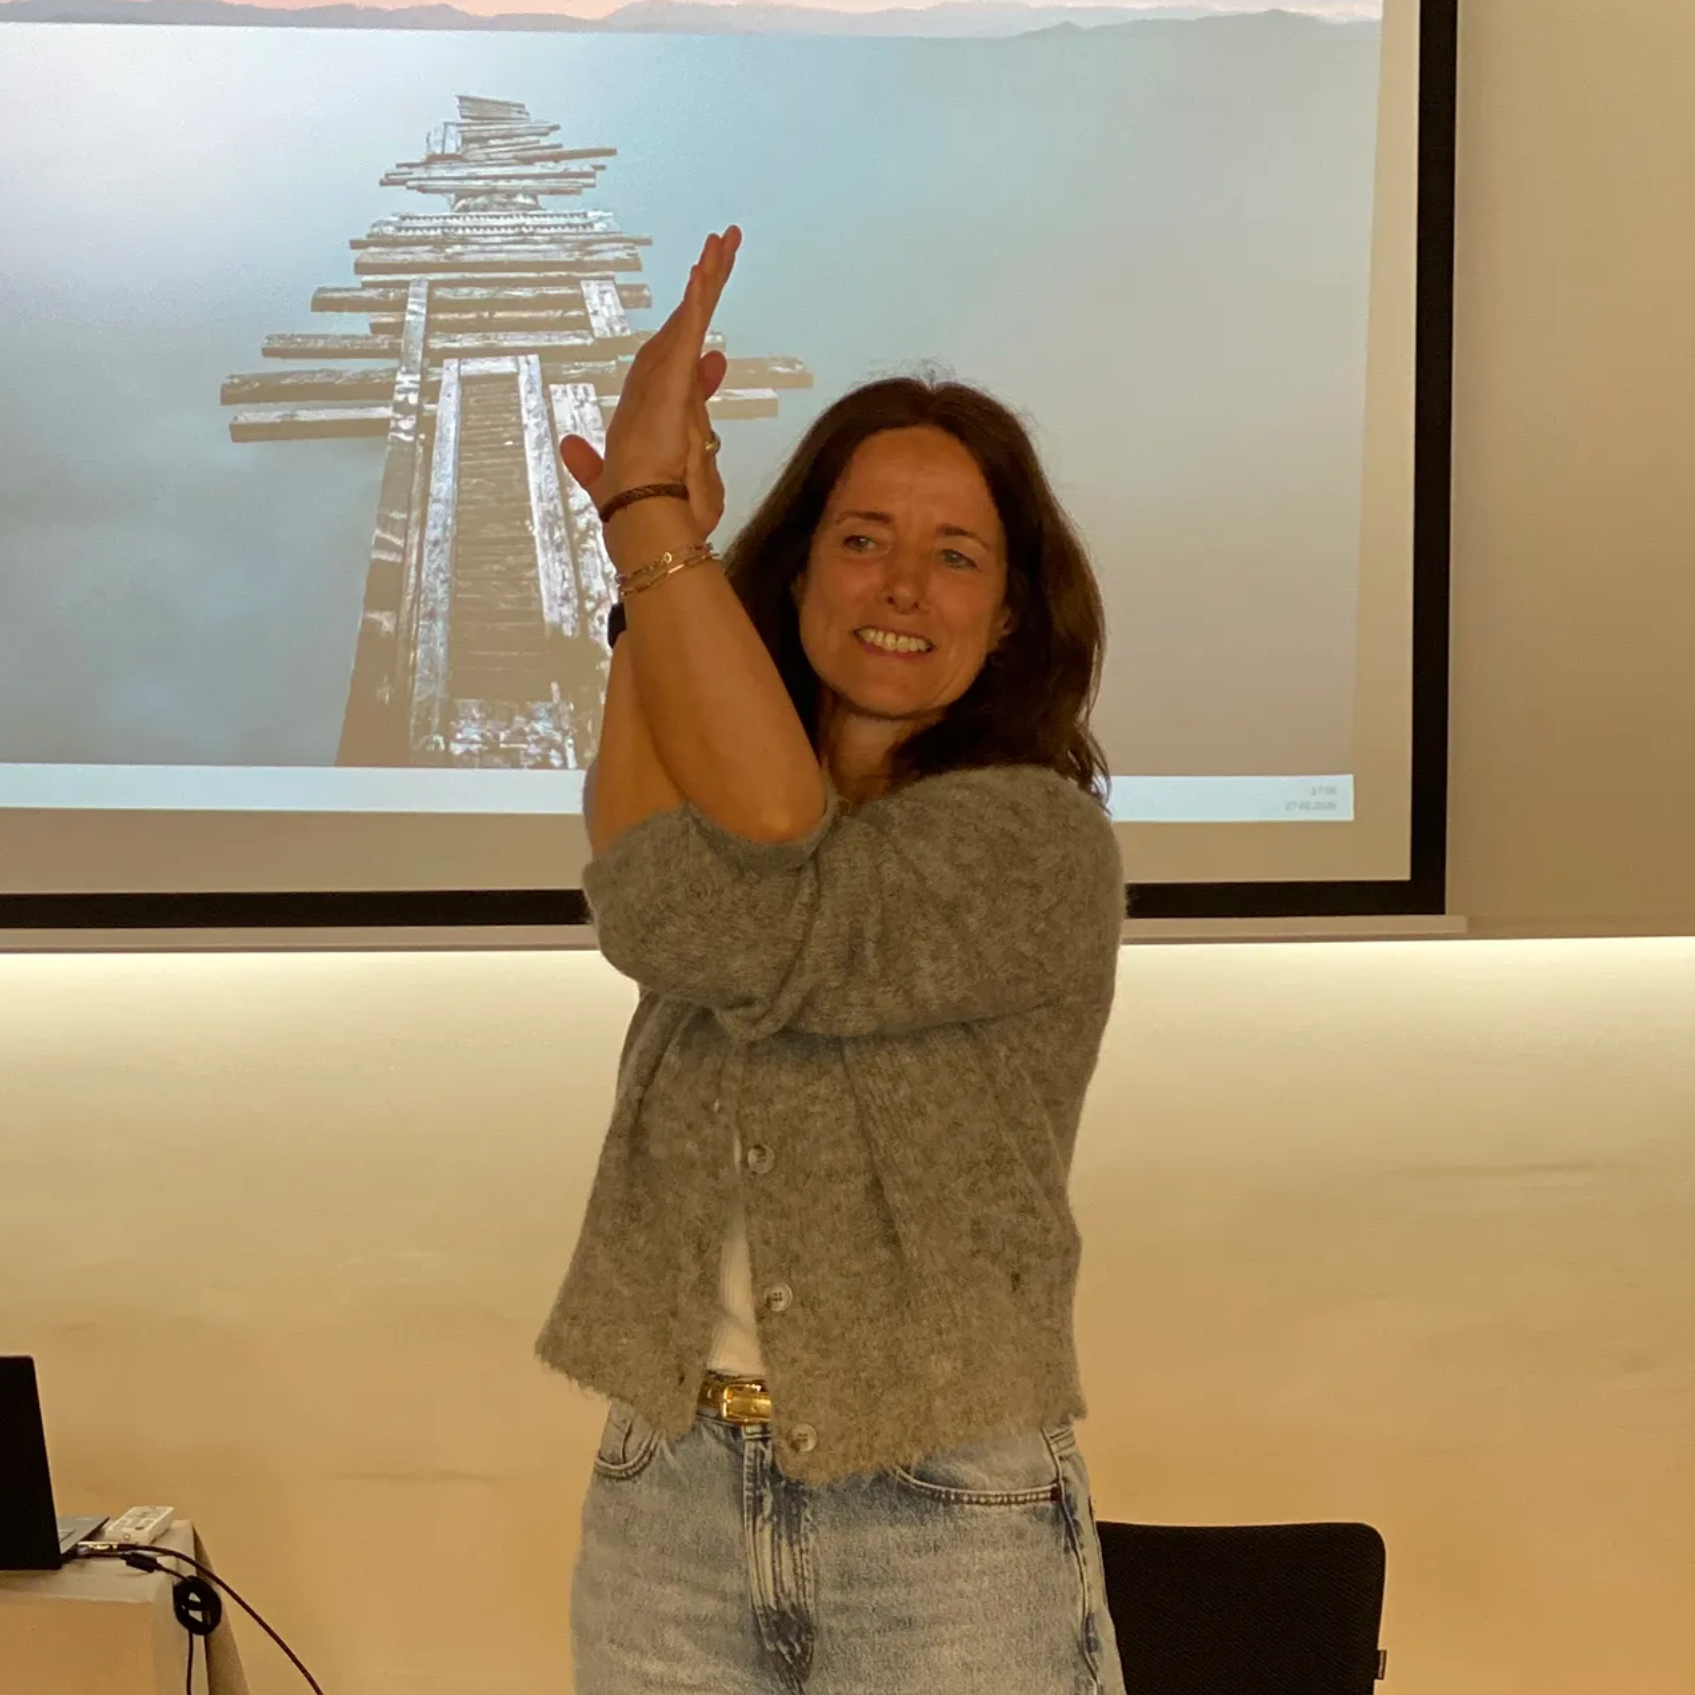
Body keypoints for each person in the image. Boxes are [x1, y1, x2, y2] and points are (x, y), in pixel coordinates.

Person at [537, 226, 1128, 1694]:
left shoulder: (1032, 839)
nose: (902, 585)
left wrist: (660, 519)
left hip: (941, 1503)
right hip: (667, 1478)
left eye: (956, 555)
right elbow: (651, 895)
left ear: (1008, 614)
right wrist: (645, 579)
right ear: (796, 570)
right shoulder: (748, 809)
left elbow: (752, 872)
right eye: (862, 537)